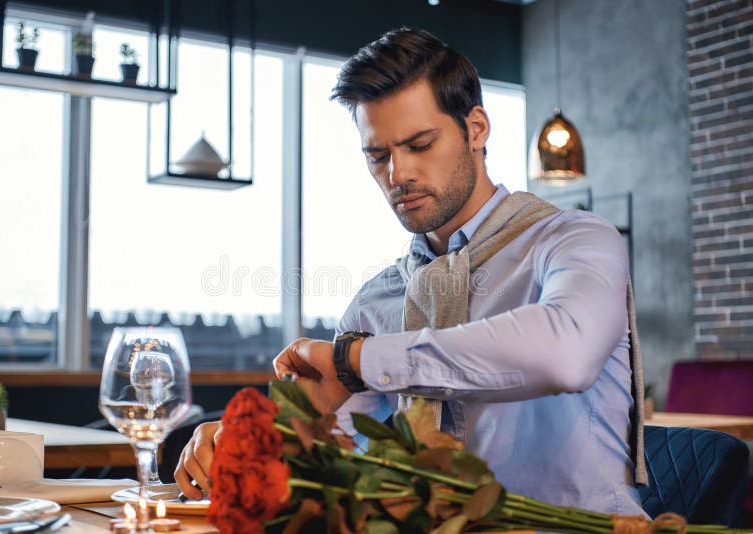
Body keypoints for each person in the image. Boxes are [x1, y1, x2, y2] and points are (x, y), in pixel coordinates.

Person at [175, 28, 646, 516]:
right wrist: (252, 445)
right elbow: (349, 465)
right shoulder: (376, 302)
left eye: (419, 144)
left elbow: (565, 354)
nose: (398, 174)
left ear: (477, 129)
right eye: (378, 156)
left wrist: (357, 362)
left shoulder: (575, 240)